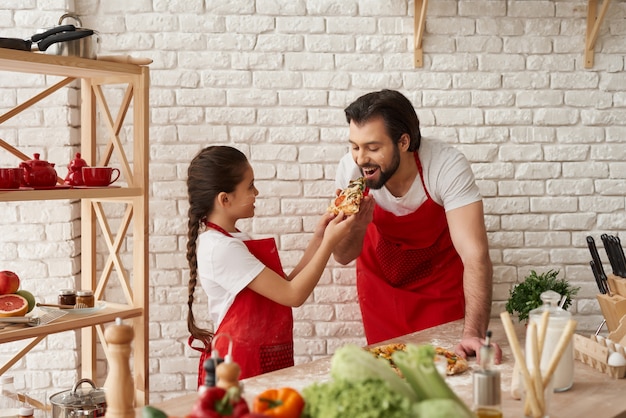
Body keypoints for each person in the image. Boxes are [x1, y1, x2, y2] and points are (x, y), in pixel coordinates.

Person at [333, 89, 502, 363]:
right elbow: (342, 255)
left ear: (403, 142)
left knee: (445, 365)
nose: (361, 158)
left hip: (438, 281)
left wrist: (474, 332)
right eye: (354, 146)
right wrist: (357, 226)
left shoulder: (445, 165)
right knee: (391, 370)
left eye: (373, 148)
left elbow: (475, 255)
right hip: (380, 284)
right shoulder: (352, 173)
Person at [186, 145, 355, 387]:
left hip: (262, 357)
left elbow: (285, 286)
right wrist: (330, 243)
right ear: (225, 199)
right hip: (240, 368)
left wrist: (320, 236)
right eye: (250, 186)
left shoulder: (232, 240)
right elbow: (293, 295)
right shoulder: (221, 248)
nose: (257, 192)